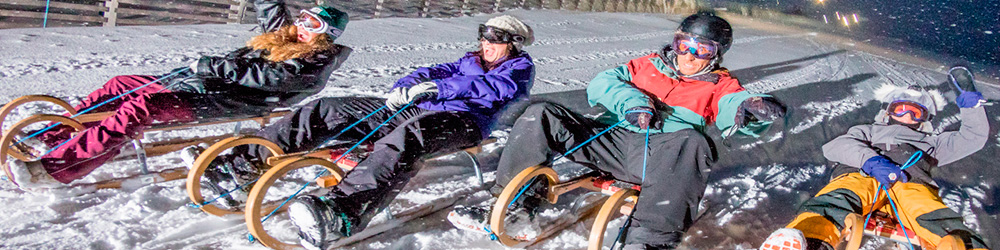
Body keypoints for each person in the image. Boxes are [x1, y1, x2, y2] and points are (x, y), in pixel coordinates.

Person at [449, 12, 787, 249]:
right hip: (609, 140)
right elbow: (603, 83)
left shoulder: (721, 84)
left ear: (716, 55)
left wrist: (749, 109)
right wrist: (632, 102)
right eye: (684, 44)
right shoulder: (648, 64)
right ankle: (514, 208)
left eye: (702, 50)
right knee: (541, 113)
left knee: (693, 141)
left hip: (661, 155)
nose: (689, 56)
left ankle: (649, 241)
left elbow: (734, 107)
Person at [195, 15, 535, 250]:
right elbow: (428, 72)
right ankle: (242, 167)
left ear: (514, 43)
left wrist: (436, 89)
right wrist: (407, 87)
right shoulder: (468, 59)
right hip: (418, 108)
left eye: (496, 38)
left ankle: (342, 212)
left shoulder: (520, 69)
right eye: (484, 34)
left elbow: (493, 89)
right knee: (328, 109)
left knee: (407, 137)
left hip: (462, 121)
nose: (486, 42)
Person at [6, 0, 352, 189]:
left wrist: (213, 67)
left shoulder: (315, 61)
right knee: (121, 83)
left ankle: (56, 170)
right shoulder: (285, 37)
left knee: (142, 107)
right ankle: (56, 137)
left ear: (328, 35)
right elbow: (270, 9)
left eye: (314, 26)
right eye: (305, 19)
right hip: (201, 84)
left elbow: (270, 77)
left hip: (228, 100)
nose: (304, 28)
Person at [759, 83, 990, 250]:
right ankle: (809, 239)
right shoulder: (869, 131)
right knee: (837, 199)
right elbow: (836, 147)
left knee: (928, 210)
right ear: (888, 111)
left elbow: (972, 138)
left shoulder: (932, 143)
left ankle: (962, 245)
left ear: (924, 119)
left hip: (909, 183)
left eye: (915, 112)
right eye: (901, 109)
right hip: (862, 176)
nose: (907, 116)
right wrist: (871, 160)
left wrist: (972, 109)